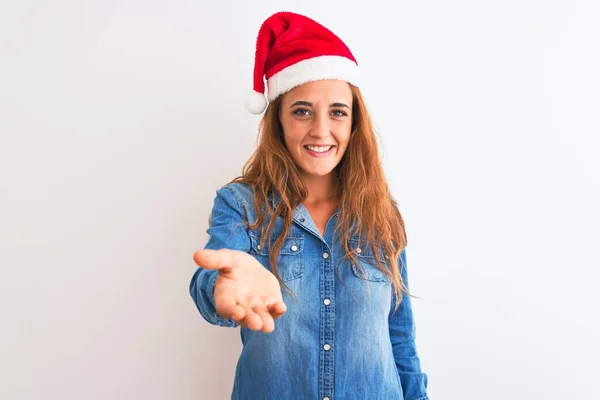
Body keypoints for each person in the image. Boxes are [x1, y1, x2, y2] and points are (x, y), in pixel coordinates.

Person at [189, 11, 429, 400]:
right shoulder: (241, 205)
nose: (321, 130)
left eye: (337, 112)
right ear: (279, 121)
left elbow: (399, 337)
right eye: (302, 111)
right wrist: (222, 288)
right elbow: (214, 281)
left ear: (354, 124)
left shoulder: (382, 213)